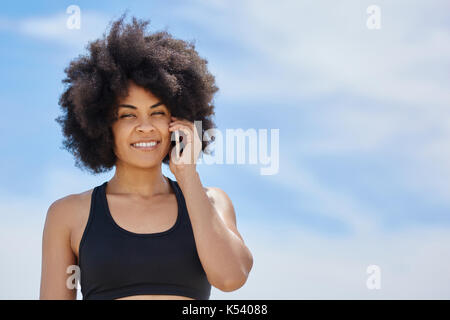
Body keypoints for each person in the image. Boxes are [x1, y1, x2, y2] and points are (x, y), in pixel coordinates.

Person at [39, 14, 253, 300]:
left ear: (178, 121)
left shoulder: (212, 201)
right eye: (128, 115)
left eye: (158, 113)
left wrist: (188, 176)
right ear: (103, 126)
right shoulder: (67, 214)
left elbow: (230, 278)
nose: (145, 127)